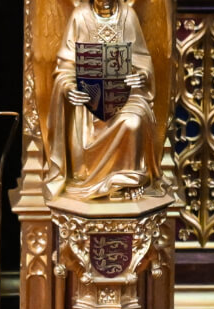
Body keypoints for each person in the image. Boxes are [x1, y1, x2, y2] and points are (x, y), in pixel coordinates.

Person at [45, 0, 161, 199]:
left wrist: (142, 75)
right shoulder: (79, 16)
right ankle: (87, 177)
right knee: (83, 130)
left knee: (134, 121)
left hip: (125, 96)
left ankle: (128, 181)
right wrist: (69, 88)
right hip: (88, 102)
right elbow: (65, 67)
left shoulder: (128, 16)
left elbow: (143, 60)